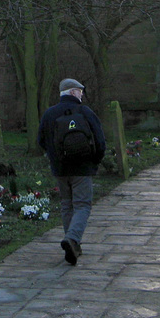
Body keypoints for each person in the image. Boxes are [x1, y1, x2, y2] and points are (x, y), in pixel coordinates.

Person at [38, 78, 106, 265]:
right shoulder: (85, 112)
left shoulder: (49, 114)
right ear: (73, 92)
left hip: (60, 169)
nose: (82, 95)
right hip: (82, 169)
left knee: (67, 204)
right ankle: (73, 239)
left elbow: (41, 141)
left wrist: (54, 157)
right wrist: (95, 161)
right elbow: (100, 141)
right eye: (80, 92)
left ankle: (73, 242)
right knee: (83, 205)